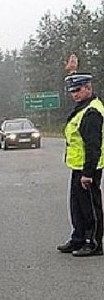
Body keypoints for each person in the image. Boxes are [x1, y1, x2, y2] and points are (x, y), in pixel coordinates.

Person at [57, 73, 104, 257]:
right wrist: (71, 71)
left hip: (88, 168)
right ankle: (78, 238)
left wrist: (88, 173)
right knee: (77, 206)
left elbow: (93, 146)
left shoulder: (92, 111)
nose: (74, 94)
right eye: (72, 91)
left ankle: (93, 243)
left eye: (78, 90)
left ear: (88, 88)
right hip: (77, 166)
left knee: (90, 206)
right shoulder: (82, 107)